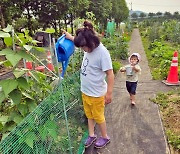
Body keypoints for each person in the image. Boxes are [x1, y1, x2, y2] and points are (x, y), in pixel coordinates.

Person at [62, 21, 114, 149]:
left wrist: (109, 93)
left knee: (99, 117)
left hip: (97, 94)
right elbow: (80, 41)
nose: (83, 50)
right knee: (89, 115)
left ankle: (105, 137)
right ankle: (91, 135)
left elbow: (110, 74)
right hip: (86, 91)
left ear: (92, 43)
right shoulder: (88, 44)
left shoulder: (102, 53)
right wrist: (71, 37)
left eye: (84, 47)